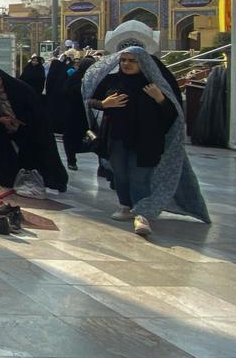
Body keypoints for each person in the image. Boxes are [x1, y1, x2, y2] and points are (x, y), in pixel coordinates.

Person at [85, 46, 210, 236]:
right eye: (123, 60)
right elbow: (90, 101)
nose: (126, 64)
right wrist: (103, 104)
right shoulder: (112, 81)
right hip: (116, 137)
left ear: (143, 63)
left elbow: (172, 116)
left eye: (131, 61)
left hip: (145, 140)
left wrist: (160, 99)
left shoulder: (154, 84)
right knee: (120, 173)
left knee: (140, 177)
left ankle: (141, 213)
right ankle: (125, 206)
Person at [0, 67, 68, 197]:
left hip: (28, 128)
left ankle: (51, 180)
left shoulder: (20, 89)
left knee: (35, 154)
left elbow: (35, 111)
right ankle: (10, 177)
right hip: (6, 129)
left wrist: (20, 120)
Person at [62, 55, 96, 170]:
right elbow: (68, 92)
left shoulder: (94, 78)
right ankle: (71, 160)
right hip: (74, 113)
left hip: (88, 114)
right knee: (71, 137)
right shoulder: (75, 78)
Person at [44, 55, 69, 133]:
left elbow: (48, 85)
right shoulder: (63, 72)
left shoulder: (52, 73)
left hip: (52, 97)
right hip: (61, 98)